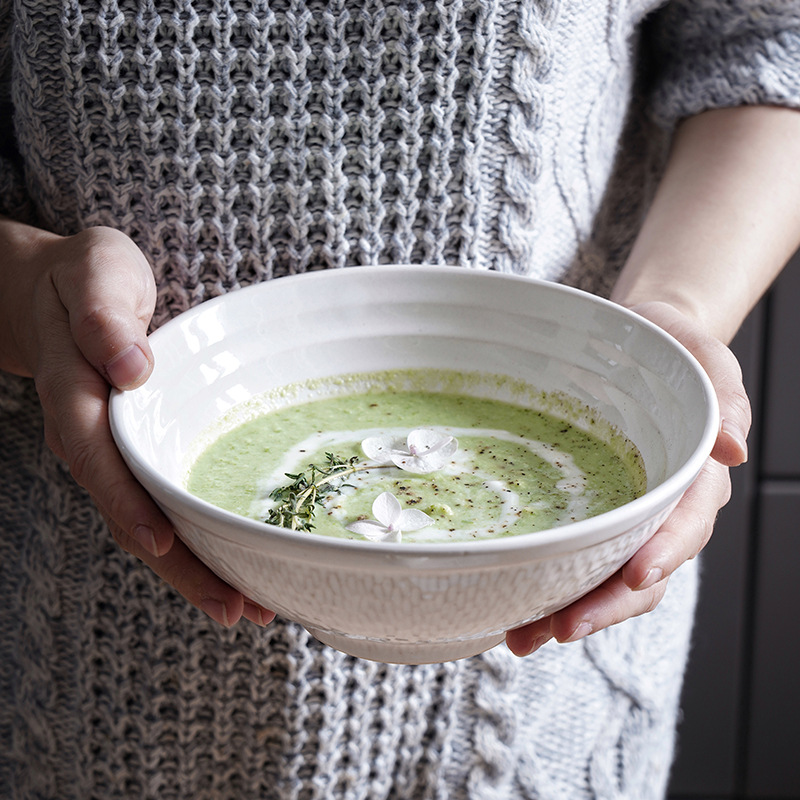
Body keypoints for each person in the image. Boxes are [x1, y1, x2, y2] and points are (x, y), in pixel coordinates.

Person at [1, 0, 799, 796]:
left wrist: (673, 320)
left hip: (537, 700)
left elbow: (768, 44)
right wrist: (29, 289)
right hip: (82, 673)